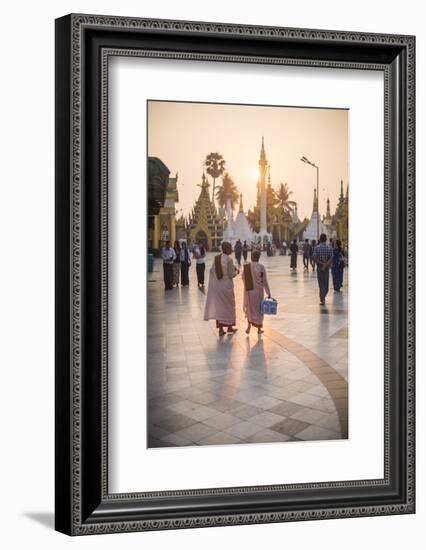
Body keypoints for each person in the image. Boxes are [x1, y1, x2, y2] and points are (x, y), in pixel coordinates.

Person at [204, 241, 238, 336]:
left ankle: (221, 329)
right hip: (227, 287)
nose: (231, 249)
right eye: (230, 248)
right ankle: (230, 327)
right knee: (229, 307)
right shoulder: (229, 260)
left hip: (218, 287)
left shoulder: (217, 258)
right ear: (226, 249)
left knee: (220, 307)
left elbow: (212, 271)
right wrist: (237, 272)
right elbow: (231, 275)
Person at [242, 249, 271, 335]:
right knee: (259, 310)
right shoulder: (261, 267)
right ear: (258, 257)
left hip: (250, 291)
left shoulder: (247, 267)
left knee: (250, 309)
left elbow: (243, 277)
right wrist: (268, 292)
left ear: (251, 257)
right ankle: (259, 329)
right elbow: (264, 281)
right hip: (259, 292)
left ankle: (248, 327)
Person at [312, 233, 333, 305]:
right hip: (326, 268)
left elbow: (314, 257)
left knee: (321, 283)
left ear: (320, 239)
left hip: (319, 268)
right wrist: (326, 264)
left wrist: (321, 263)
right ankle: (323, 297)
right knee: (326, 283)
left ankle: (322, 298)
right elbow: (331, 257)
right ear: (326, 239)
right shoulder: (329, 248)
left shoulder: (316, 248)